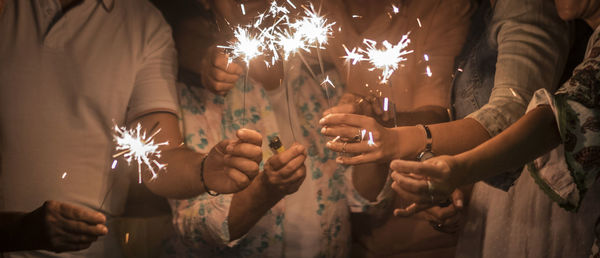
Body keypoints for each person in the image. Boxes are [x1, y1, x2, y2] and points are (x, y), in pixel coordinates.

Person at [0, 0, 263, 256]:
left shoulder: (144, 23)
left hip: (92, 251)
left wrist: (204, 169)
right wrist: (19, 229)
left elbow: (159, 158)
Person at [389, 1, 600, 256]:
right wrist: (458, 183)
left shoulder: (526, 7)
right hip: (504, 193)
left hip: (542, 206)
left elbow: (546, 119)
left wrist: (407, 142)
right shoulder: (477, 12)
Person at [318, 0, 475, 256]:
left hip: (427, 221)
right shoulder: (323, 7)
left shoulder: (438, 7)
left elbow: (435, 112)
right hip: (361, 227)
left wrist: (385, 124)